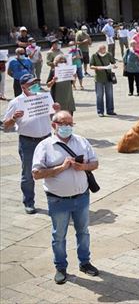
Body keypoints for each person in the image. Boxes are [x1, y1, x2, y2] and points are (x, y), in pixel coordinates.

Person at [31, 110, 100, 285]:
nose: (67, 127)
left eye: (70, 123)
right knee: (59, 236)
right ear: (54, 125)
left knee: (83, 232)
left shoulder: (81, 141)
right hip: (57, 199)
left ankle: (85, 262)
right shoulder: (45, 145)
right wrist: (61, 168)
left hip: (81, 197)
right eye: (63, 123)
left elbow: (95, 163)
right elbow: (37, 174)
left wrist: (82, 167)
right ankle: (61, 267)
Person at [3, 74, 60, 214]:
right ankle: (29, 202)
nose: (35, 85)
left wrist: (57, 111)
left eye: (35, 82)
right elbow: (6, 126)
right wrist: (14, 118)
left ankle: (56, 200)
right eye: (31, 84)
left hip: (46, 139)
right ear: (23, 87)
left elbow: (53, 117)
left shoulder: (44, 97)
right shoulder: (16, 102)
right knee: (28, 174)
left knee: (54, 170)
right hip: (28, 142)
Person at [89, 45, 117, 117]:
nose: (103, 50)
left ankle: (110, 110)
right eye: (101, 49)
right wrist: (97, 68)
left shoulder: (108, 55)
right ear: (98, 50)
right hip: (99, 78)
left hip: (108, 78)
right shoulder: (94, 56)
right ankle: (100, 111)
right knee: (99, 96)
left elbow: (113, 63)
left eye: (104, 49)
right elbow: (91, 66)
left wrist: (113, 66)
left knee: (110, 95)